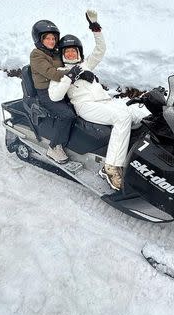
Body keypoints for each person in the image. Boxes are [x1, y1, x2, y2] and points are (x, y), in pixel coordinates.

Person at [48, 10, 145, 190]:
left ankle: (143, 160)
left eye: (73, 51)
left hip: (106, 102)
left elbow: (100, 50)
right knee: (122, 118)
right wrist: (70, 76)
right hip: (85, 107)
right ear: (62, 55)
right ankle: (111, 167)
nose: (70, 54)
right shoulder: (59, 73)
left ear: (78, 52)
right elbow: (55, 95)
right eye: (67, 52)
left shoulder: (86, 64)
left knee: (139, 115)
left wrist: (95, 28)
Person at [30, 20, 81, 164]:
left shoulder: (55, 53)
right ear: (39, 39)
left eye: (54, 38)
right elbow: (51, 72)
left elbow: (71, 61)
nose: (51, 41)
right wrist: (73, 73)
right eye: (47, 38)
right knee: (67, 115)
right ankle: (53, 147)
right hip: (46, 93)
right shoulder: (36, 55)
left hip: (61, 88)